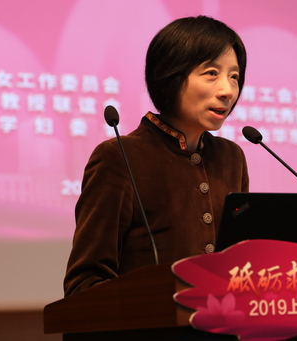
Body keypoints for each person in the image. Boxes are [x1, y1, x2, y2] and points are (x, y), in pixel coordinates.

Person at [63, 15, 250, 296]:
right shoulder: (120, 157)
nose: (227, 91)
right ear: (170, 75)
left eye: (234, 77)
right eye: (211, 73)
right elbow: (84, 282)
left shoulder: (231, 158)